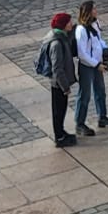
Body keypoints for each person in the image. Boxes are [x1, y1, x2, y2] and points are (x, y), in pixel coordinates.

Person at [74, 0, 108, 135]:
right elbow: (82, 53)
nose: (96, 11)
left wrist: (105, 48)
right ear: (88, 12)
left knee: (100, 91)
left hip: (97, 64)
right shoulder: (81, 30)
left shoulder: (96, 23)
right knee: (85, 95)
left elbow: (99, 40)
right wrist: (96, 64)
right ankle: (80, 124)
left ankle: (102, 117)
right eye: (94, 9)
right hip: (87, 66)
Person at [44, 10, 78, 147]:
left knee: (62, 109)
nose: (71, 23)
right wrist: (65, 86)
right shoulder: (56, 44)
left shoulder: (62, 37)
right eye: (69, 22)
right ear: (63, 25)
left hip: (61, 83)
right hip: (58, 84)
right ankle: (59, 136)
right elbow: (57, 68)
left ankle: (61, 132)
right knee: (58, 111)